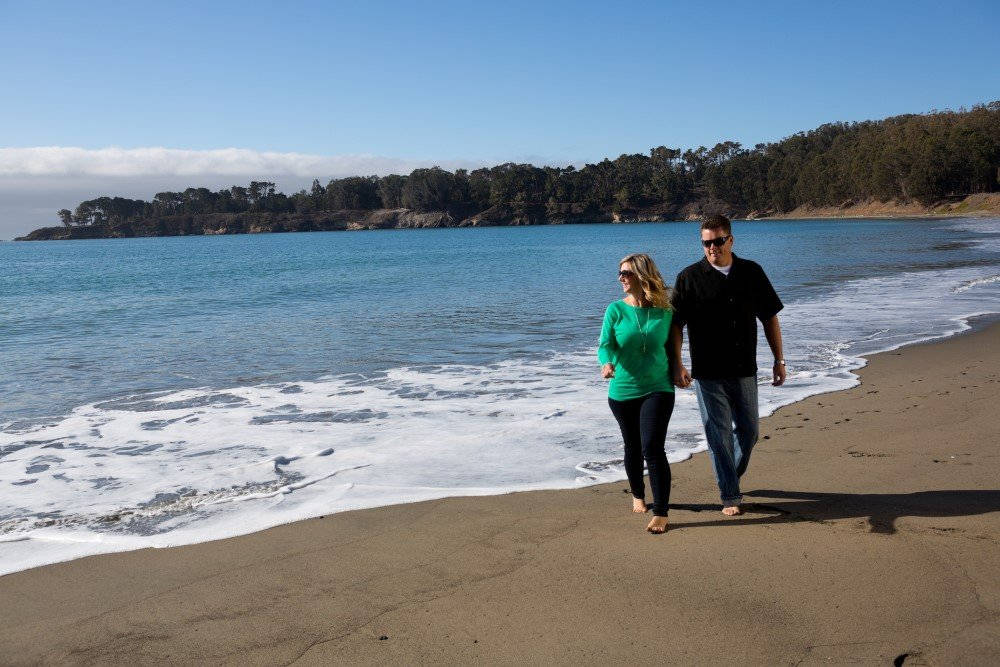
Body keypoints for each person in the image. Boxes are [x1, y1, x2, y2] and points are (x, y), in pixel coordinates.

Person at [669, 214, 786, 516]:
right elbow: (675, 326)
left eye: (718, 241)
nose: (712, 248)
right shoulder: (689, 277)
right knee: (717, 433)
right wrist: (677, 364)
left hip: (744, 368)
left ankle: (729, 474)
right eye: (706, 243)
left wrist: (779, 360)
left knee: (749, 433)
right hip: (707, 372)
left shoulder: (751, 272)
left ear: (731, 240)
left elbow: (770, 317)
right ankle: (730, 495)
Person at [598, 253, 677, 534]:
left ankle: (662, 513)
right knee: (632, 446)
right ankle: (638, 495)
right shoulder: (615, 310)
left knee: (653, 447)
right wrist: (606, 362)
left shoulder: (665, 311)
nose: (621, 278)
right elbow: (605, 344)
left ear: (642, 276)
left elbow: (671, 347)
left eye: (627, 273)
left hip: (658, 387)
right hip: (622, 390)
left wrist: (679, 369)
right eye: (619, 273)